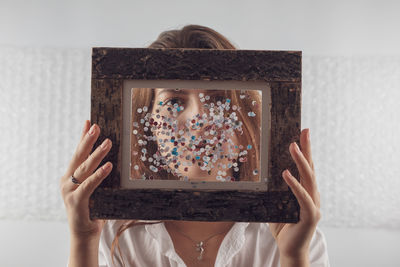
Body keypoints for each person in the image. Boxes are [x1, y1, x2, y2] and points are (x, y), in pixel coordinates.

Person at [60, 24, 329, 267]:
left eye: (217, 101)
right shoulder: (114, 233)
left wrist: (294, 256)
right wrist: (83, 240)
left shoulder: (295, 236)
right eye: (174, 103)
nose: (199, 121)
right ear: (149, 126)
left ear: (246, 121)